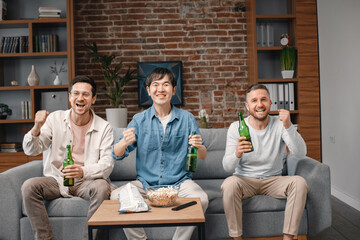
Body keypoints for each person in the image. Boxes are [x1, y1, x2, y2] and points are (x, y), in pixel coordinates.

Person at [111, 67, 209, 240]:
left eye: (166, 84)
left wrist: (199, 146)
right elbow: (117, 154)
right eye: (155, 85)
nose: (161, 89)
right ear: (148, 91)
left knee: (201, 198)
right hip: (146, 184)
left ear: (174, 90)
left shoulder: (187, 119)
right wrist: (122, 142)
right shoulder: (139, 120)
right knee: (116, 195)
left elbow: (202, 155)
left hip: (180, 183)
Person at [21, 75, 115, 240]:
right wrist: (36, 126)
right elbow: (31, 149)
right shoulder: (55, 119)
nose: (80, 98)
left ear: (93, 99)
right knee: (29, 186)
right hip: (57, 180)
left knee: (102, 187)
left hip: (87, 182)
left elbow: (107, 164)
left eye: (85, 94)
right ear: (70, 97)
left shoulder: (104, 127)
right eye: (76, 93)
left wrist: (81, 171)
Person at [221, 84, 308, 240]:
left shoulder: (280, 125)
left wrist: (288, 126)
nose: (259, 104)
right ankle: (236, 238)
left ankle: (288, 237)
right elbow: (227, 167)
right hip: (244, 180)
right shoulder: (236, 127)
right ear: (248, 106)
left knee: (299, 182)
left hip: (273, 180)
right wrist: (237, 153)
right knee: (229, 183)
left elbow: (301, 153)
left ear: (270, 103)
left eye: (263, 99)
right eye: (254, 100)